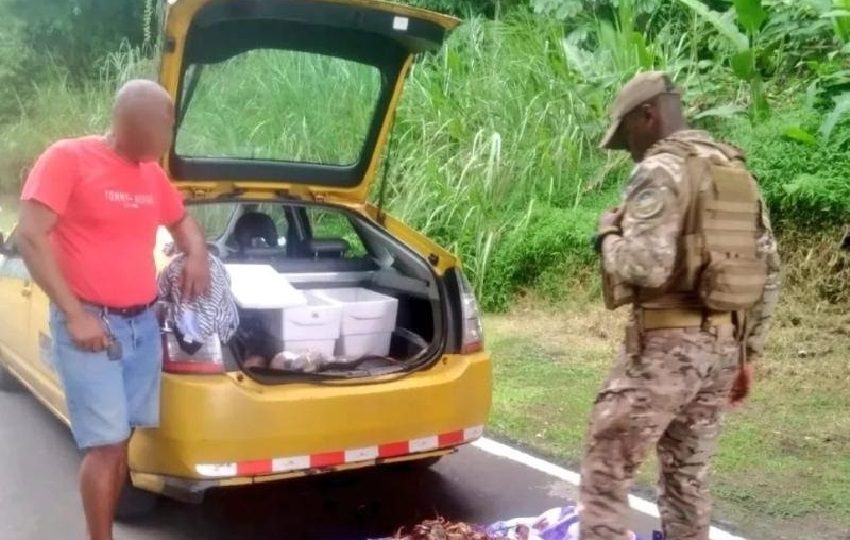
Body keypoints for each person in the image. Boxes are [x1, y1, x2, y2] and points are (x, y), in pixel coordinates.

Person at [579, 71, 781, 539]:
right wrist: (747, 354)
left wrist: (607, 234)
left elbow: (644, 267)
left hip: (665, 352)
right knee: (686, 478)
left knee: (606, 471)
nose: (628, 146)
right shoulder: (735, 170)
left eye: (626, 130)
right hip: (723, 350)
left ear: (647, 115)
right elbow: (770, 270)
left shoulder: (660, 168)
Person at [16, 79, 210, 540]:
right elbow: (29, 234)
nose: (169, 139)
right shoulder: (68, 158)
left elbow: (184, 226)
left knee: (121, 440)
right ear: (131, 124)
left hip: (141, 324)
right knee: (105, 446)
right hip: (90, 326)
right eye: (164, 128)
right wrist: (75, 314)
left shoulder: (151, 173)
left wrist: (197, 254)